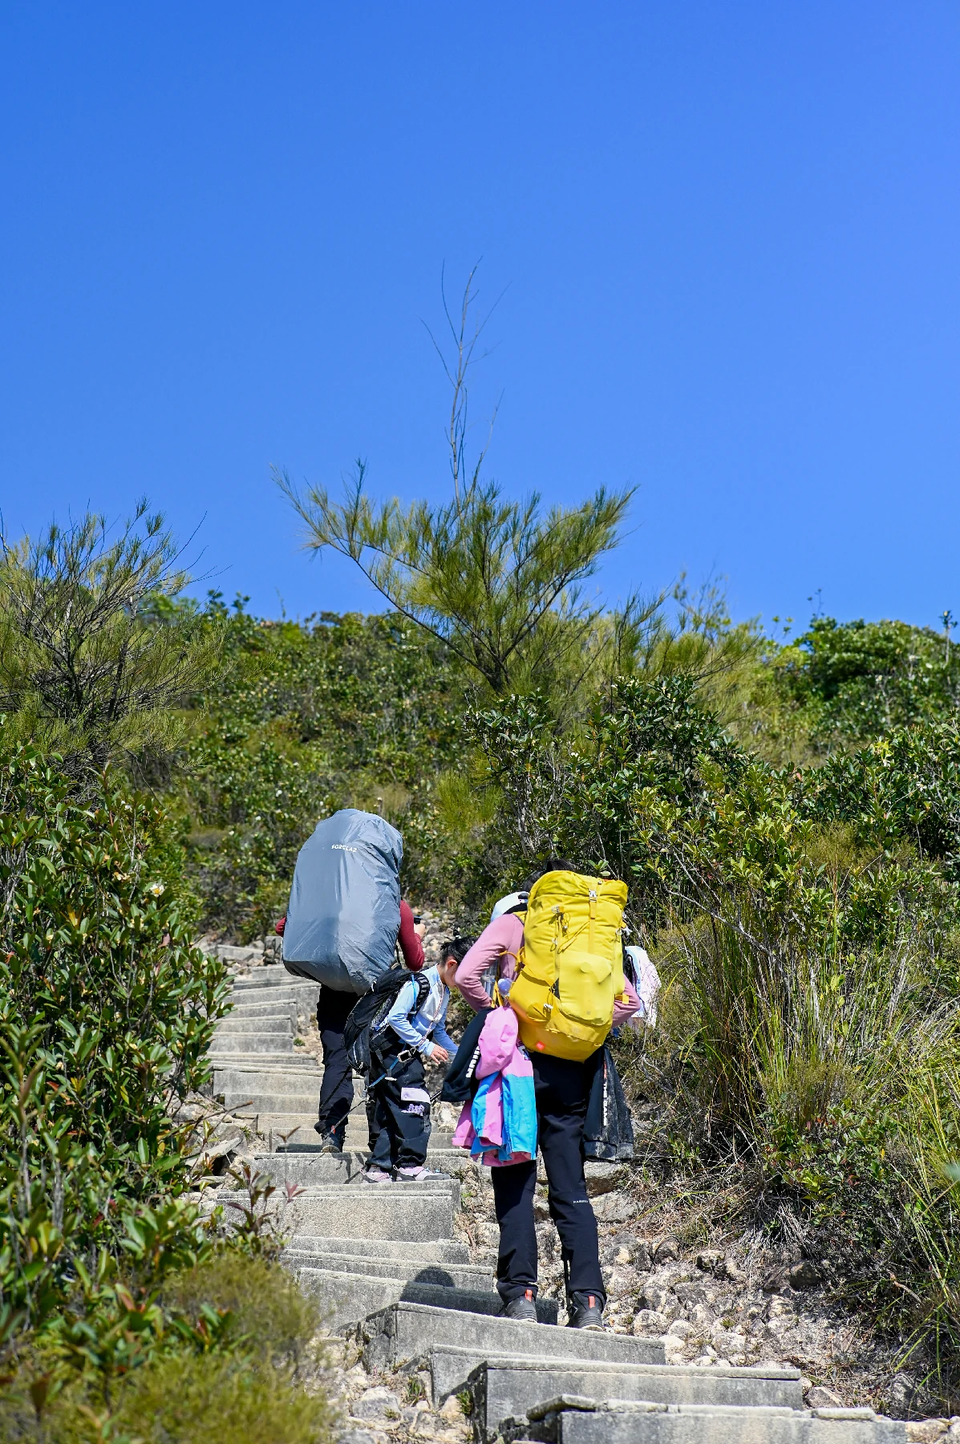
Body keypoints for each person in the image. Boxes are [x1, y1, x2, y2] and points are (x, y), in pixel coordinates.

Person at [454, 861, 641, 1330]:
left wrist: (501, 1013)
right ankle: (589, 1302)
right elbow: (629, 1001)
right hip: (572, 1074)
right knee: (570, 1188)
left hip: (517, 1071)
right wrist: (586, 1032)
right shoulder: (592, 930)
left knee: (515, 1183)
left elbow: (466, 976)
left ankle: (520, 1295)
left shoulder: (515, 924)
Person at [276, 900, 426, 1153]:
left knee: (337, 1062)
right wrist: (416, 935)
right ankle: (379, 1141)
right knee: (380, 1063)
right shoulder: (394, 903)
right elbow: (415, 961)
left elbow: (283, 927)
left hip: (334, 991)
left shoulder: (333, 898)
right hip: (376, 995)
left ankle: (332, 1132)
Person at [363, 936, 472, 1183]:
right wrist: (425, 1046)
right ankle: (409, 1165)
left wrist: (460, 1056)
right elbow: (395, 1018)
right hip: (393, 1054)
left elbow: (439, 1030)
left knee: (394, 1110)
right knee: (415, 1105)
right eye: (466, 974)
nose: (467, 982)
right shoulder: (419, 983)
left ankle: (378, 1168)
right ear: (452, 964)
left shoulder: (444, 990)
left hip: (407, 1055)